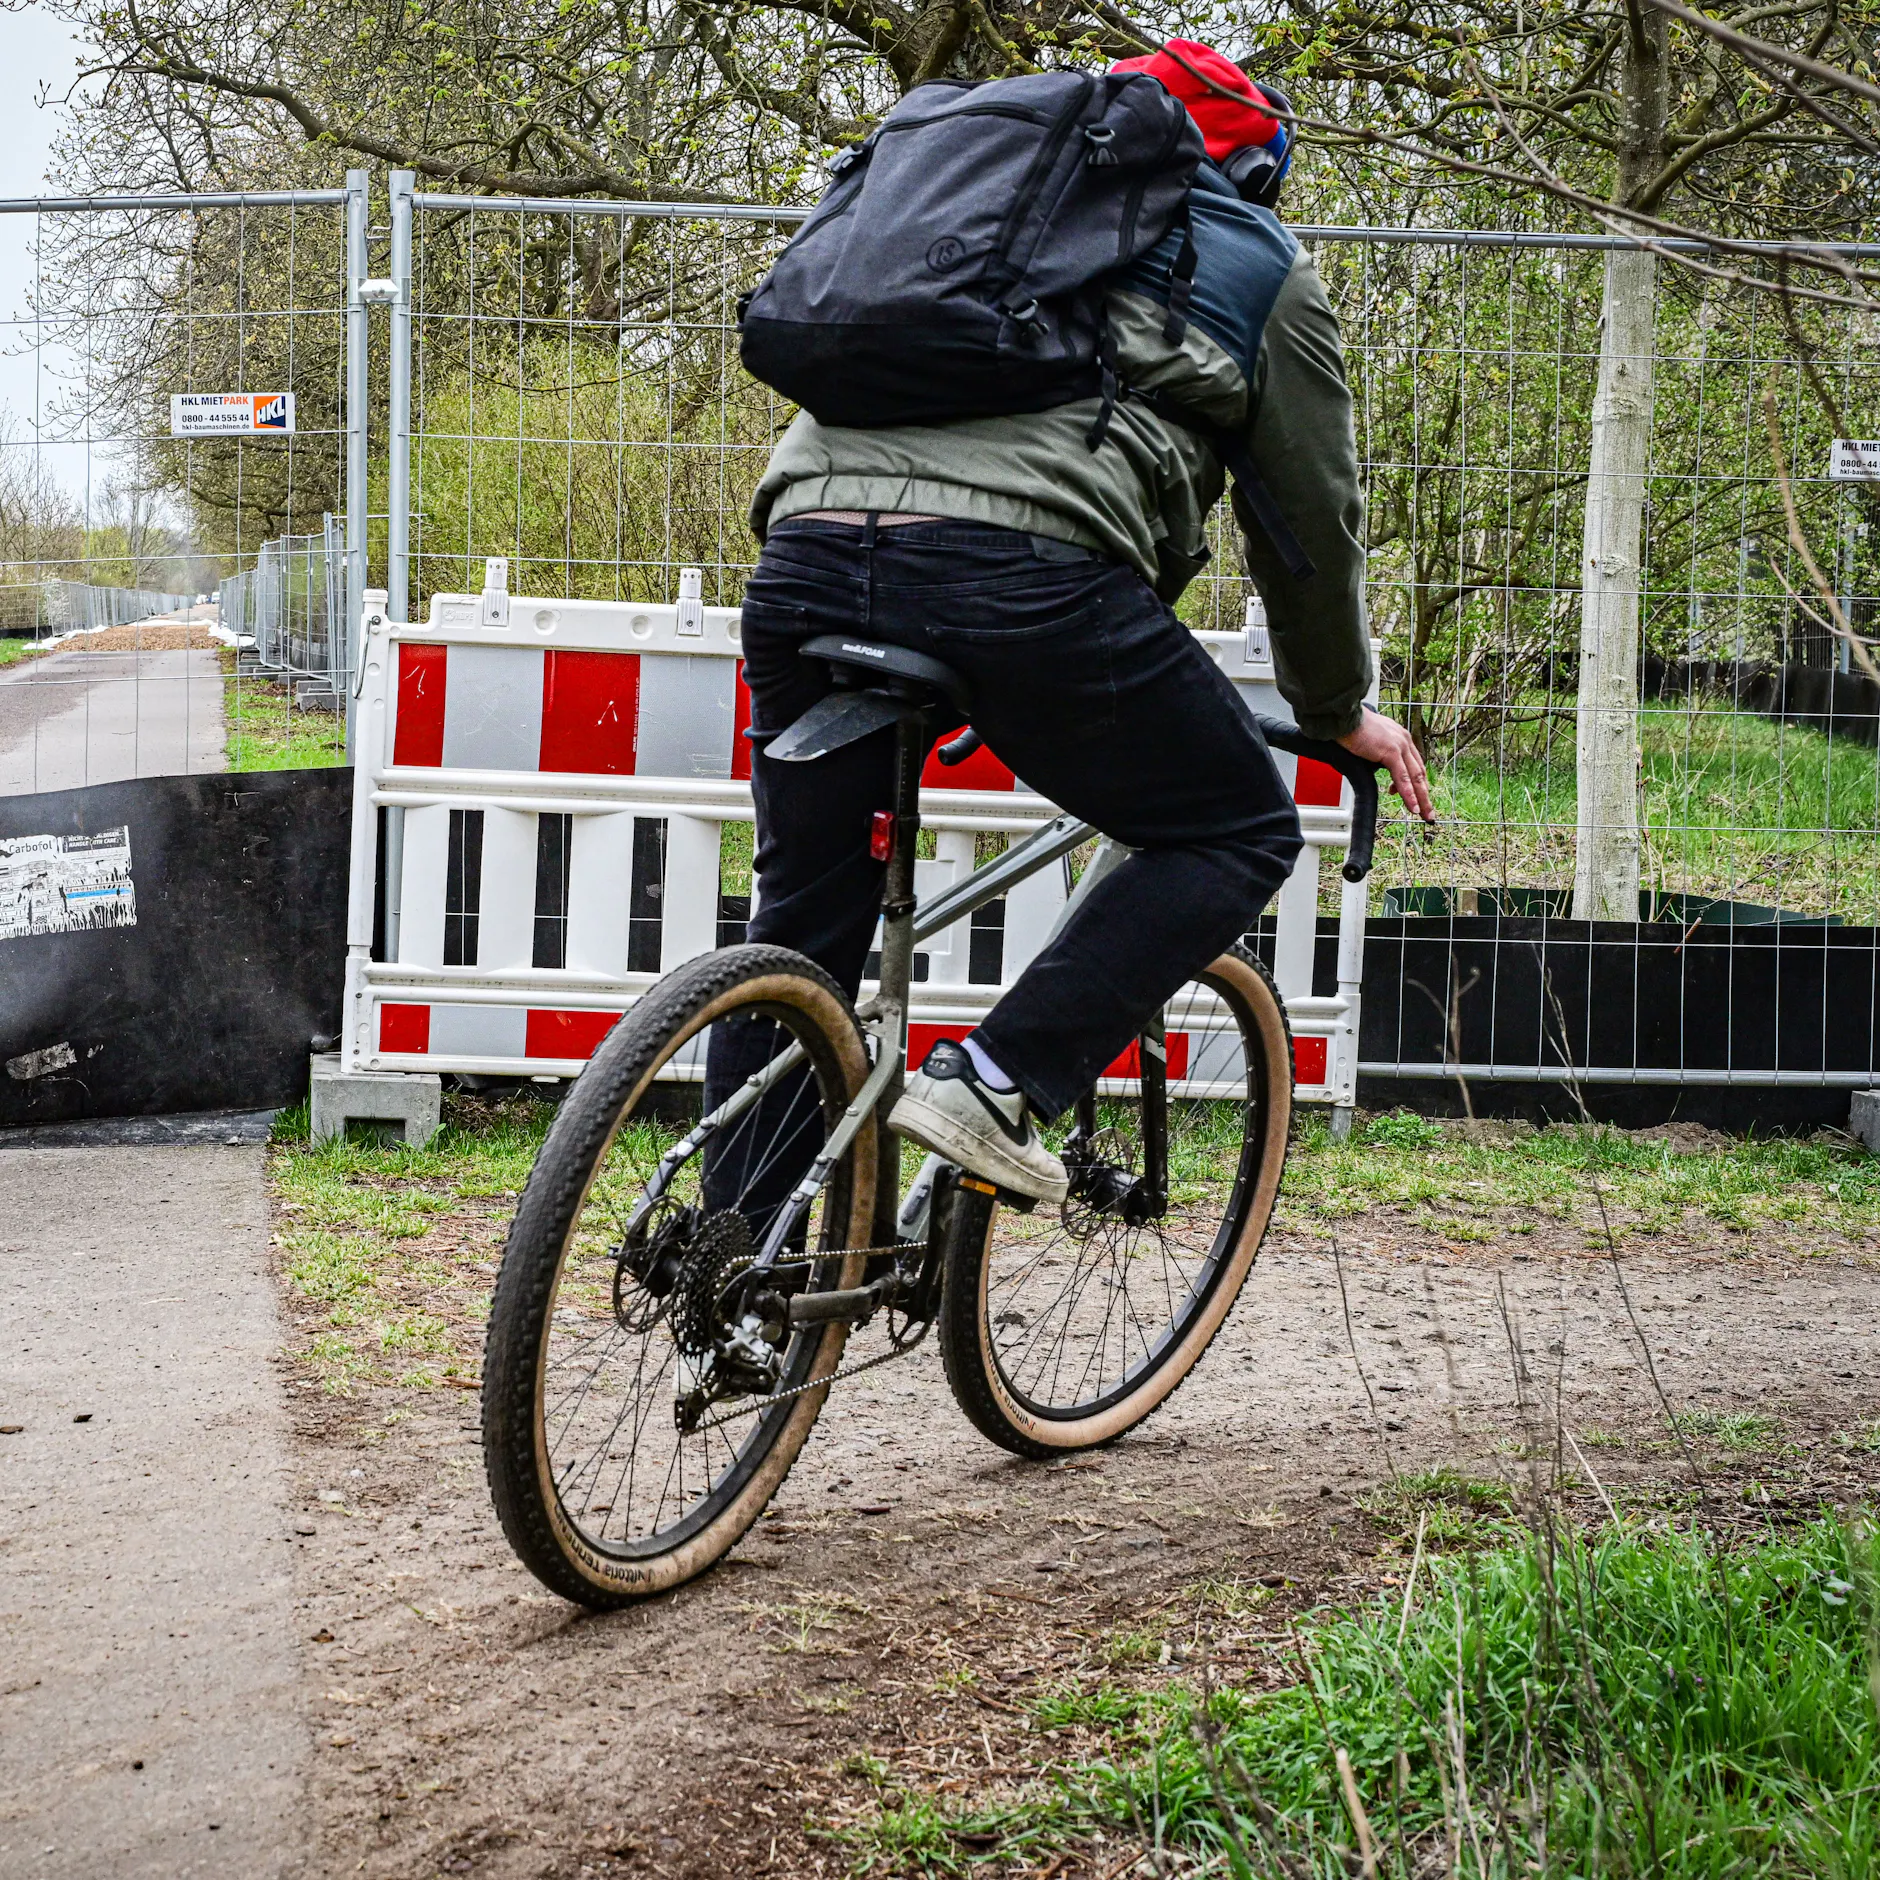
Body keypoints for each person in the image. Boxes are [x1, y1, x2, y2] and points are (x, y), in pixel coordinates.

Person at [717, 39, 1434, 1206]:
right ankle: (996, 1078)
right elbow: (1308, 520)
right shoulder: (1257, 261)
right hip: (1024, 580)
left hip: (802, 552)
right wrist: (1330, 706)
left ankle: (725, 1264)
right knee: (1233, 827)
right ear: (1253, 166)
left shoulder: (954, 206)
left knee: (803, 920)